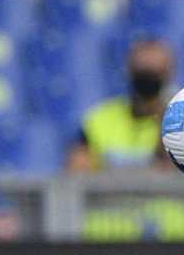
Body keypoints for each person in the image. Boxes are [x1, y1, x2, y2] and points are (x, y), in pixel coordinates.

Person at [67, 39, 174, 174]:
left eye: (154, 73)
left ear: (168, 74)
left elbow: (176, 175)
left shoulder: (176, 123)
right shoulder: (100, 119)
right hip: (110, 194)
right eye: (142, 72)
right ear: (129, 70)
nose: (147, 79)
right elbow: (77, 172)